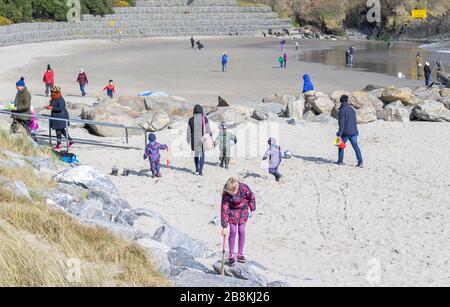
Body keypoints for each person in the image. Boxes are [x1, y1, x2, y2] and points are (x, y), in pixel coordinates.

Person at [221, 178, 256, 265]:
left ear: (237, 188)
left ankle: (240, 254)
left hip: (243, 212)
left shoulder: (244, 188)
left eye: (233, 193)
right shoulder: (226, 193)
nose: (232, 194)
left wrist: (252, 208)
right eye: (230, 193)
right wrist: (224, 226)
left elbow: (251, 196)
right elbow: (224, 209)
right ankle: (231, 255)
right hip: (232, 213)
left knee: (241, 231)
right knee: (233, 231)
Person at [336, 95, 363, 168]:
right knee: (355, 146)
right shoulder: (352, 109)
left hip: (346, 132)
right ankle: (360, 162)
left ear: (340, 101)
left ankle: (340, 161)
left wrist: (339, 134)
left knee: (340, 146)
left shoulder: (342, 111)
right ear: (347, 101)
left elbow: (342, 124)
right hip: (354, 131)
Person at [45, 85, 73, 152]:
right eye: (51, 92)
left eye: (53, 92)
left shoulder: (61, 99)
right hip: (56, 116)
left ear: (57, 92)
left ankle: (59, 144)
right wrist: (49, 106)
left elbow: (60, 108)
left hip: (61, 117)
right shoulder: (54, 98)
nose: (52, 93)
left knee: (59, 131)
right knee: (61, 130)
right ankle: (70, 141)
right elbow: (53, 105)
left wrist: (52, 108)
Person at [187, 104, 212, 176]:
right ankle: (200, 171)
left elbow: (188, 132)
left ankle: (197, 169)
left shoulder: (191, 120)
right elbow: (208, 130)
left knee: (196, 154)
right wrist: (210, 137)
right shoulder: (205, 119)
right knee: (202, 155)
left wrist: (188, 140)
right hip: (202, 140)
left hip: (194, 140)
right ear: (201, 111)